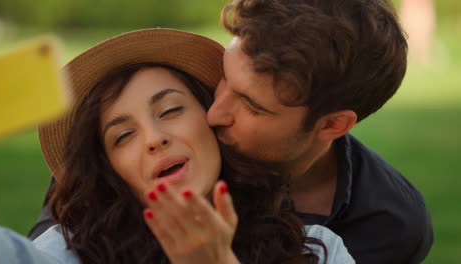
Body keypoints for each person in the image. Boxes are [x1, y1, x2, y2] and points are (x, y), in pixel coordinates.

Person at [29, 28, 354, 264]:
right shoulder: (57, 255)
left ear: (211, 119)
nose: (155, 139)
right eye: (123, 136)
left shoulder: (317, 251)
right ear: (110, 169)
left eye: (170, 110)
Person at [204, 0, 433, 263]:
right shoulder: (184, 151)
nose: (213, 114)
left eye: (251, 106)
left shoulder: (391, 226)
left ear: (332, 125)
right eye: (224, 75)